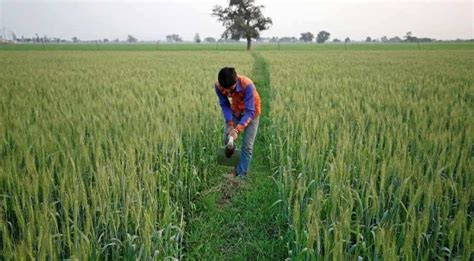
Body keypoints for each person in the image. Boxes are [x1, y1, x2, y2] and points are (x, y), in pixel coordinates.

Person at [215, 67, 261, 178]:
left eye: (231, 89)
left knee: (247, 146)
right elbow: (225, 105)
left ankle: (241, 176)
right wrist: (230, 125)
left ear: (236, 80)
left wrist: (237, 130)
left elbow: (250, 111)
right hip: (236, 111)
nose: (229, 92)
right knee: (227, 138)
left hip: (252, 112)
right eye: (226, 90)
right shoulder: (218, 87)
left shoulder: (248, 85)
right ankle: (235, 168)